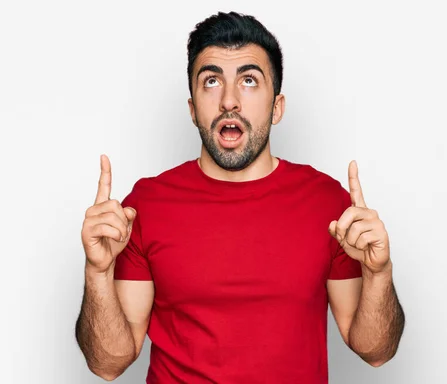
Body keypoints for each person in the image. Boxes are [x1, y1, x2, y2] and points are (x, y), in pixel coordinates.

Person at [75, 11, 404, 384]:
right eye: (211, 81)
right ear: (192, 108)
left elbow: (376, 352)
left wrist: (379, 272)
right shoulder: (145, 205)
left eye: (249, 80)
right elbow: (108, 364)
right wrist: (97, 272)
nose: (229, 100)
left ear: (276, 107)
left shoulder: (330, 206)